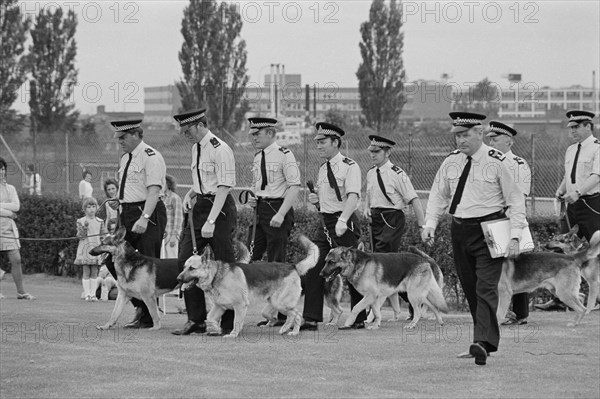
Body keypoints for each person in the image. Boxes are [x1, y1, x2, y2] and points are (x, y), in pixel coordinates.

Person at [421, 112, 527, 366]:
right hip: (460, 229)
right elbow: (438, 194)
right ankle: (482, 340)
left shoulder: (497, 161)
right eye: (457, 135)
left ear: (480, 133)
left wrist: (515, 236)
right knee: (471, 288)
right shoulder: (451, 162)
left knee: (486, 287)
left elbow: (515, 200)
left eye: (465, 135)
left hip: (491, 227)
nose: (460, 140)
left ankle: (482, 342)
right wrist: (430, 224)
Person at [171, 108, 236, 336]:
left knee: (224, 265)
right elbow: (204, 180)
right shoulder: (195, 148)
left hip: (220, 210)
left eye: (187, 129)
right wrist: (191, 193)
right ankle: (196, 319)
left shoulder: (220, 149)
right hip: (200, 206)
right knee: (185, 260)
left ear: (200, 125)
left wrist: (211, 220)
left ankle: (228, 322)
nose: (185, 134)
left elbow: (224, 185)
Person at [303, 122, 367, 331]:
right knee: (314, 266)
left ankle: (359, 318)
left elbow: (353, 196)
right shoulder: (323, 169)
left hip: (344, 221)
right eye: (317, 143)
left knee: (353, 271)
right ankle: (311, 318)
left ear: (335, 142)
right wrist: (317, 201)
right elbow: (327, 201)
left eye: (322, 142)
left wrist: (342, 220)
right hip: (326, 222)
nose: (319, 146)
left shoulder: (350, 166)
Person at [537, 110, 600, 311]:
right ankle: (561, 298)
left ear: (588, 126)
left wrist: (579, 192)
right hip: (572, 204)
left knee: (595, 250)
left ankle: (597, 298)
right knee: (561, 250)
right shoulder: (571, 149)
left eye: (576, 127)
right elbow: (569, 174)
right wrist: (562, 189)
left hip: (591, 203)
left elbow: (597, 175)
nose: (571, 131)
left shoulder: (597, 148)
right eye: (570, 127)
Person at [111, 119, 167, 328]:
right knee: (112, 259)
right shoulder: (126, 158)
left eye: (123, 137)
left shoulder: (151, 157)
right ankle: (140, 304)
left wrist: (144, 218)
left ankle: (147, 317)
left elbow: (153, 191)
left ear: (136, 135)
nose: (120, 142)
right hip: (127, 212)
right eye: (119, 138)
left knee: (147, 266)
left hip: (147, 213)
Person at [246, 117, 301, 327]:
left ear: (270, 133)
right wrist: (254, 197)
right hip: (260, 210)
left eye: (256, 134)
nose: (253, 138)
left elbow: (294, 186)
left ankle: (281, 314)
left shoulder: (285, 155)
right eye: (252, 134)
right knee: (249, 255)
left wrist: (280, 213)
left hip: (278, 209)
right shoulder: (257, 156)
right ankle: (267, 306)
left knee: (277, 263)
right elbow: (257, 185)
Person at [364, 135, 425, 321]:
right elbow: (368, 194)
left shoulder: (398, 174)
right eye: (371, 152)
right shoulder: (370, 173)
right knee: (385, 268)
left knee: (384, 265)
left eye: (377, 152)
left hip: (392, 218)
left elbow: (414, 199)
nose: (373, 155)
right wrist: (366, 208)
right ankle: (415, 303)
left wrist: (423, 226)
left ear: (387, 152)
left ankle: (374, 313)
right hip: (376, 218)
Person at [486, 121, 532, 326]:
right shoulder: (487, 162)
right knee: (494, 267)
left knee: (516, 264)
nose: (492, 143)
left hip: (509, 219)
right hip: (491, 220)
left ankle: (520, 313)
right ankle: (500, 311)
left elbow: (519, 197)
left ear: (509, 141)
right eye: (490, 140)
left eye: (495, 139)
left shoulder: (518, 164)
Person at [0, 157, 36, 300]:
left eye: (3, 169)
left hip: (9, 229)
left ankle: (21, 292)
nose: (1, 172)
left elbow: (17, 206)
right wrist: (8, 213)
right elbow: (12, 210)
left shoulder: (11, 188)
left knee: (16, 259)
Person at [74, 197, 106, 301]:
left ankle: (93, 294)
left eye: (94, 206)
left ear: (97, 208)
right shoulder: (81, 221)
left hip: (96, 249)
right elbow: (80, 236)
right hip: (85, 249)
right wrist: (84, 228)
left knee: (94, 272)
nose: (91, 209)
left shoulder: (100, 221)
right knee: (86, 271)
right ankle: (87, 294)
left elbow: (103, 237)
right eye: (89, 207)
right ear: (84, 209)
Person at [161, 175, 183, 259]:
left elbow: (178, 218)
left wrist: (175, 235)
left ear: (168, 184)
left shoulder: (174, 198)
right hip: (161, 235)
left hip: (171, 235)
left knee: (171, 259)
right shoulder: (159, 198)